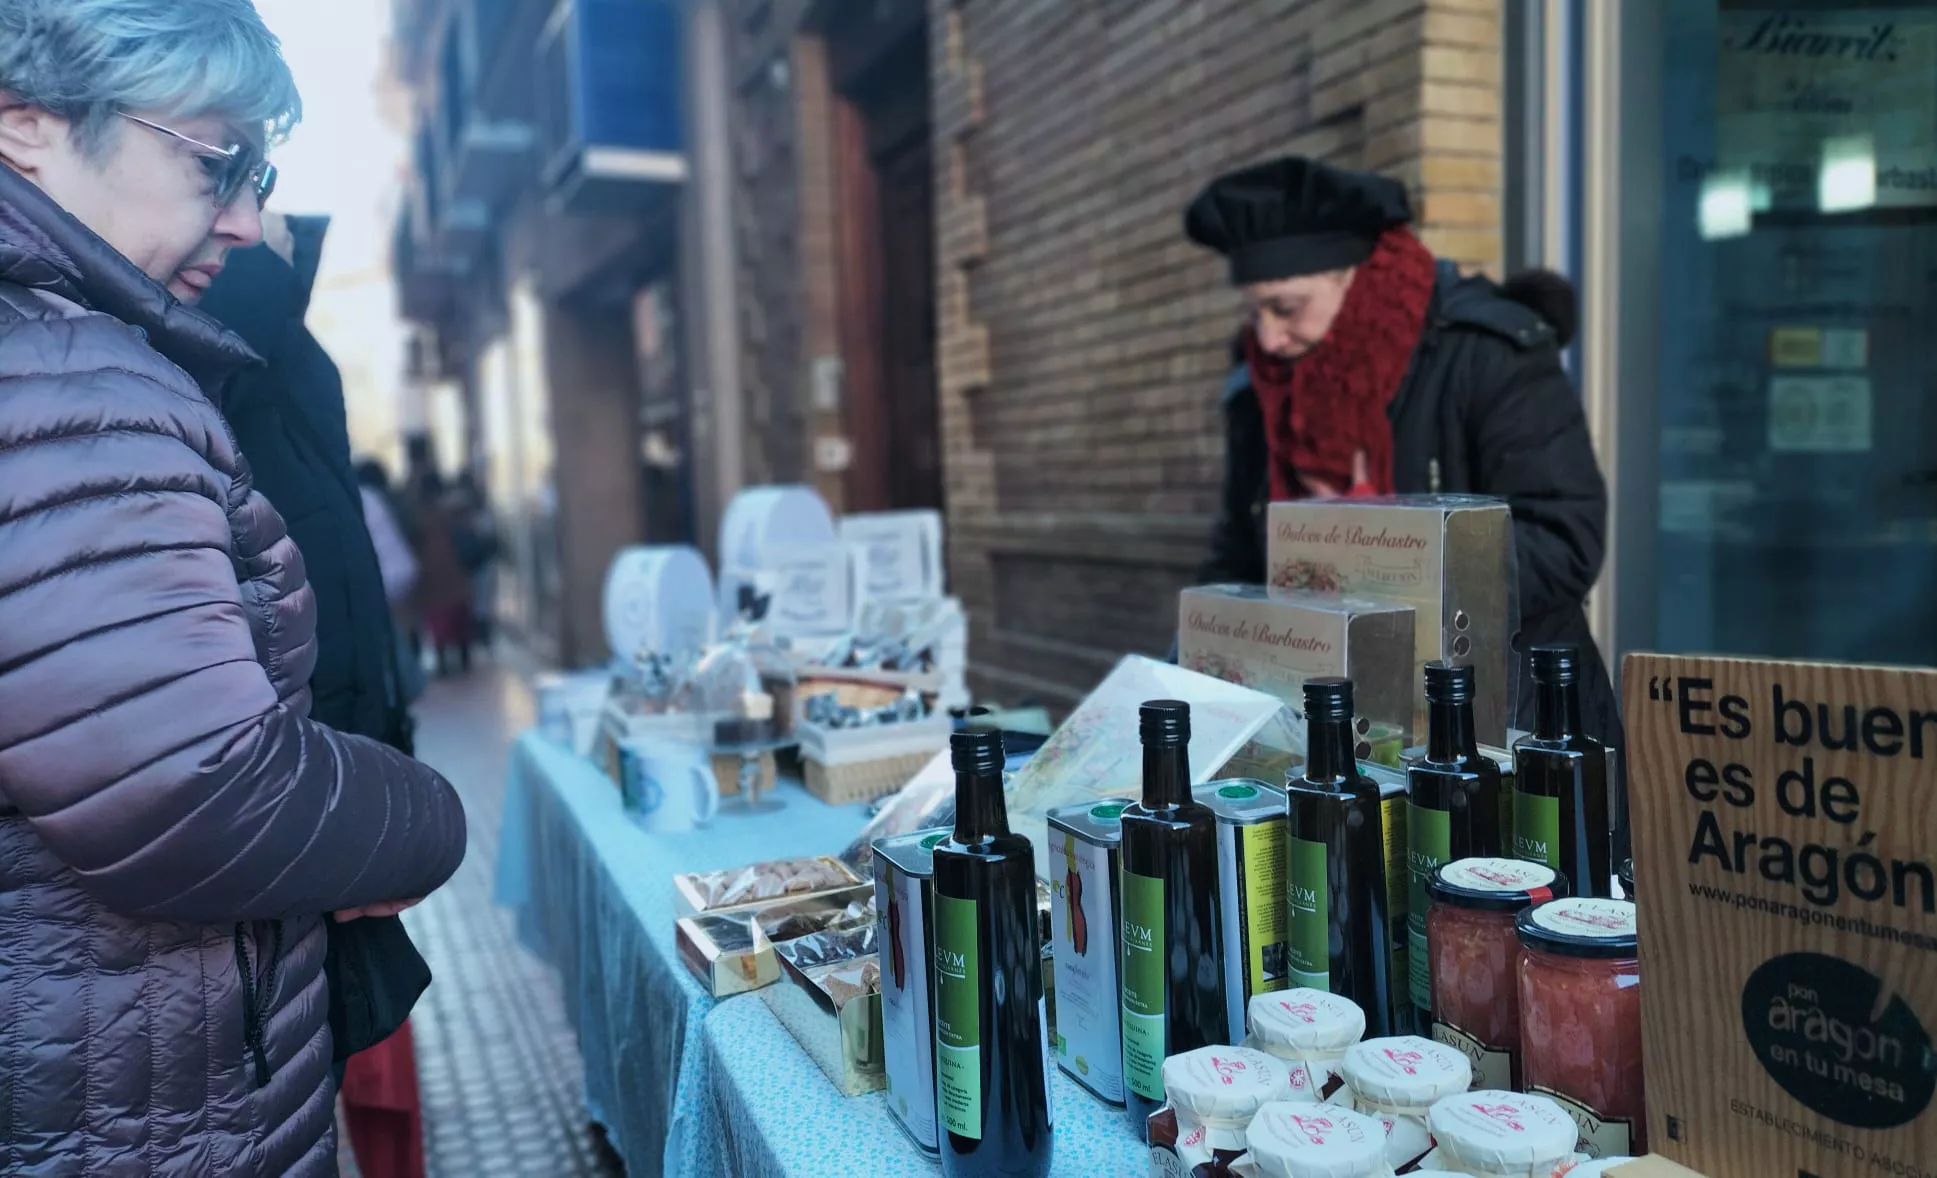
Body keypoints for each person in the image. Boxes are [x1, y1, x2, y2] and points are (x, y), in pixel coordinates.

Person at [0, 3, 468, 1175]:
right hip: (128, 1094)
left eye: (255, 170)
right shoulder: (68, 378)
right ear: (25, 127)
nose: (249, 218)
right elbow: (193, 789)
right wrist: (422, 817)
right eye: (216, 163)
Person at [1183, 156, 1622, 749]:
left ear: (1354, 279)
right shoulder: (1256, 391)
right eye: (1254, 311)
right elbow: (1238, 553)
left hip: (1511, 721)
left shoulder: (1487, 354)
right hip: (1323, 725)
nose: (1267, 338)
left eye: (1285, 308)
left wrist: (1374, 551)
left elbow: (1566, 538)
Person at [200, 214, 434, 1178]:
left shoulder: (280, 352)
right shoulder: (205, 341)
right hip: (281, 846)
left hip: (323, 816)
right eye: (226, 161)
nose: (255, 220)